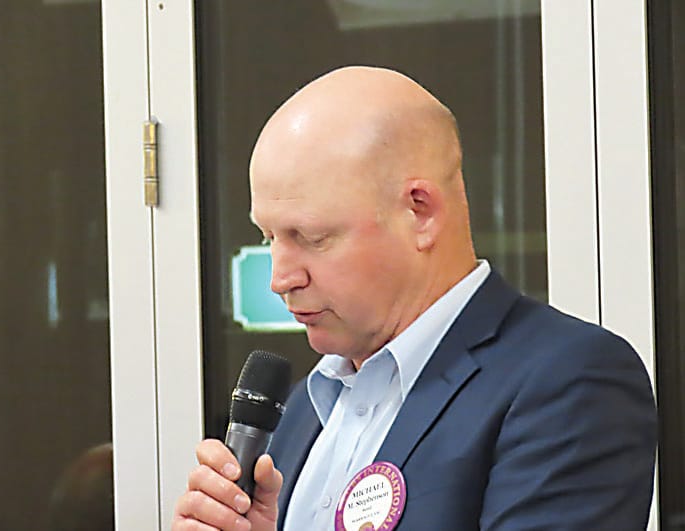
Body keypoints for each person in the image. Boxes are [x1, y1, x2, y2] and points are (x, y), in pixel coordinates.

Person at [172, 66, 657, 530]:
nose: (280, 277)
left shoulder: (567, 381)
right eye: (269, 237)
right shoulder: (305, 407)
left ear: (420, 212)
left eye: (312, 236)